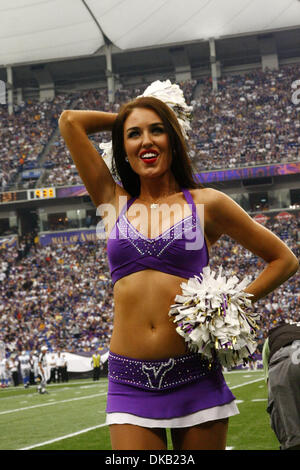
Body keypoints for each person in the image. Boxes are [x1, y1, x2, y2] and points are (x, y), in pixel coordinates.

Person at [59, 81, 299, 450]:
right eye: (134, 134)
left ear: (173, 138)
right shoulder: (112, 200)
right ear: (123, 145)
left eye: (158, 130)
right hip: (130, 382)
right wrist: (134, 117)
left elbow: (284, 260)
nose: (146, 141)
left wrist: (228, 305)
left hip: (195, 376)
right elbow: (70, 121)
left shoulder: (207, 203)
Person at [262, 321, 300, 450]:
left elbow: (270, 385)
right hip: (289, 357)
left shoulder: (271, 338)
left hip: (286, 358)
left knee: (294, 441)